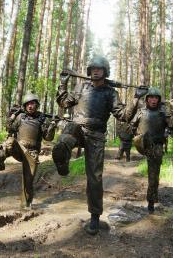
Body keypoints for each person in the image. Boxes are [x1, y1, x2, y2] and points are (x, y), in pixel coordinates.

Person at [52, 55, 145, 235]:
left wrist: (135, 99)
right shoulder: (80, 87)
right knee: (66, 135)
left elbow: (124, 116)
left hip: (96, 135)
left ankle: (94, 217)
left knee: (95, 177)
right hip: (78, 128)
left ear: (104, 72)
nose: (96, 71)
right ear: (89, 71)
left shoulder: (111, 93)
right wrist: (62, 84)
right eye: (93, 69)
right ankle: (62, 163)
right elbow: (63, 102)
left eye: (99, 69)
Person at [0, 93, 56, 209]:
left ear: (36, 105)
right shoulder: (20, 117)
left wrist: (51, 126)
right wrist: (12, 115)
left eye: (33, 104)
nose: (30, 106)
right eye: (28, 104)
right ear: (25, 106)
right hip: (19, 148)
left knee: (28, 181)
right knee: (10, 141)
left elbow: (48, 138)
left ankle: (26, 205)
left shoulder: (42, 119)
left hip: (32, 153)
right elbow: (9, 127)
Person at [130, 87, 173, 214]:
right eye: (151, 97)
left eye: (156, 98)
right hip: (143, 144)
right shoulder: (141, 112)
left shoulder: (164, 112)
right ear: (147, 99)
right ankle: (152, 199)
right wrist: (137, 137)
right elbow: (131, 126)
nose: (153, 100)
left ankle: (151, 202)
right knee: (152, 174)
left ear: (159, 100)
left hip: (156, 146)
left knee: (153, 175)